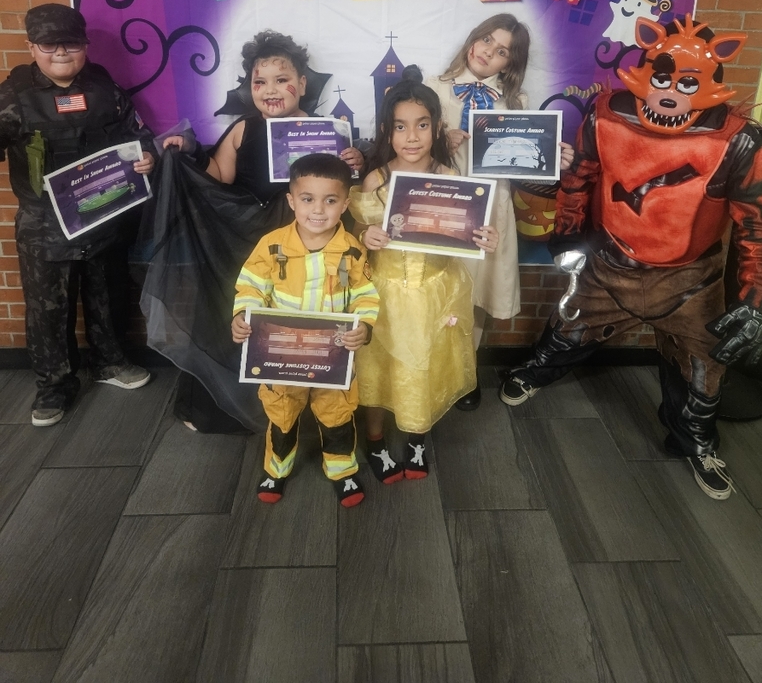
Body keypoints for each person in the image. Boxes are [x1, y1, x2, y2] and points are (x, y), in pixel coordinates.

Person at [499, 15, 762, 500]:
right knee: (568, 329)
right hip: (609, 262)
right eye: (662, 79)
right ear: (646, 73)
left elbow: (759, 227)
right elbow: (579, 177)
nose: (669, 95)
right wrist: (568, 233)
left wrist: (755, 302)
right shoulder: (606, 114)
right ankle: (532, 373)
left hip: (692, 278)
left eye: (687, 84)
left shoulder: (740, 142)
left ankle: (697, 442)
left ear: (708, 87)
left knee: (704, 368)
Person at [146, 30, 364, 433]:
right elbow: (213, 181)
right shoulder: (243, 129)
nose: (271, 90)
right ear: (250, 89)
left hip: (311, 247)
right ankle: (236, 409)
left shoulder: (329, 129)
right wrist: (187, 154)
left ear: (301, 84)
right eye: (259, 82)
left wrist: (354, 160)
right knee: (243, 320)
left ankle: (315, 409)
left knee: (307, 323)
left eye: (282, 80)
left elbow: (341, 191)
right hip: (252, 246)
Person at [0, 4, 155, 426]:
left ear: (85, 45)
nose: (62, 52)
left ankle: (110, 363)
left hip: (103, 215)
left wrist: (147, 156)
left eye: (72, 42)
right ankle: (55, 387)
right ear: (32, 46)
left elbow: (138, 135)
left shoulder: (104, 87)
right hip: (44, 226)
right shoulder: (13, 96)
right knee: (49, 309)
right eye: (50, 44)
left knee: (108, 296)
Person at [349, 67, 498, 483]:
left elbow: (468, 230)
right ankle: (376, 440)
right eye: (400, 127)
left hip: (436, 292)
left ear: (436, 128)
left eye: (421, 125)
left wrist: (485, 235)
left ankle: (416, 437)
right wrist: (367, 233)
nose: (411, 137)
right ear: (387, 130)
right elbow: (355, 233)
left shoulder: (450, 179)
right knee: (378, 369)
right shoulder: (377, 179)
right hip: (386, 293)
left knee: (424, 369)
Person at [428, 14, 573, 409]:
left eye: (502, 51)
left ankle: (465, 369)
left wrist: (554, 158)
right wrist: (442, 139)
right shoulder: (431, 88)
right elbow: (407, 144)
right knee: (437, 286)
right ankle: (432, 366)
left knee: (476, 291)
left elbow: (525, 161)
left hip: (490, 207)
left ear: (509, 64)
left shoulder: (516, 103)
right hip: (442, 203)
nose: (489, 52)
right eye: (487, 40)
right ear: (473, 38)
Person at [232, 153, 379, 506]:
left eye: (330, 200)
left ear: (345, 203)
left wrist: (364, 327)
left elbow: (365, 296)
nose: (318, 210)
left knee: (337, 415)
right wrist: (243, 316)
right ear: (291, 201)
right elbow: (249, 287)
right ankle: (276, 470)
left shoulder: (353, 252)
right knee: (282, 414)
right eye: (307, 199)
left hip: (334, 356)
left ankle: (342, 470)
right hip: (282, 357)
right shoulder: (272, 246)